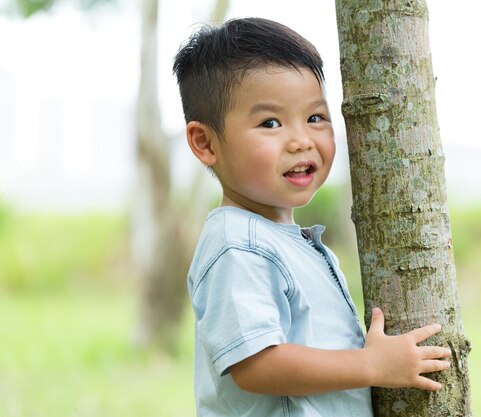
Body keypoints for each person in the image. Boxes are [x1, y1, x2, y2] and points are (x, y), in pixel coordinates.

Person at [173, 17, 452, 417]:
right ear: (205, 142)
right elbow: (256, 366)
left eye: (315, 117)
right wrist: (372, 365)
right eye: (270, 123)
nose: (301, 139)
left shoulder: (283, 239)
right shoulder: (237, 245)